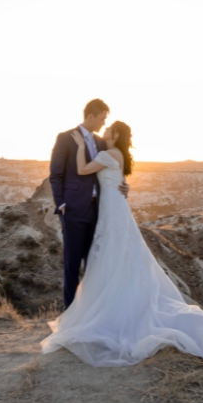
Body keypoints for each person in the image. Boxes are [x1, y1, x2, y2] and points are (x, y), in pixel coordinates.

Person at [41, 118, 203, 367]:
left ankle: (111, 310)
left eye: (108, 129)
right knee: (118, 254)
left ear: (114, 135)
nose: (104, 130)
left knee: (112, 253)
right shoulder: (115, 153)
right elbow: (106, 179)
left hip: (111, 209)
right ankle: (116, 304)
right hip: (113, 207)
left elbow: (83, 170)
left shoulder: (109, 152)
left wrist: (81, 147)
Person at [47, 99, 128, 309]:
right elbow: (56, 175)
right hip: (74, 209)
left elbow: (113, 169)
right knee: (72, 265)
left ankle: (91, 314)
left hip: (100, 211)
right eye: (101, 119)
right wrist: (62, 204)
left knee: (95, 265)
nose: (103, 123)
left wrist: (124, 186)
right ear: (90, 116)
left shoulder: (103, 143)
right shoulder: (65, 138)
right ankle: (70, 316)